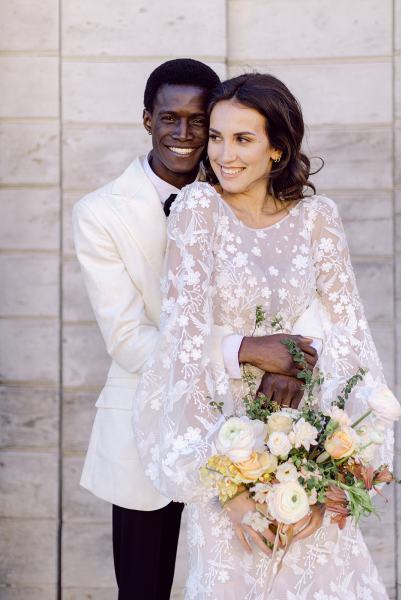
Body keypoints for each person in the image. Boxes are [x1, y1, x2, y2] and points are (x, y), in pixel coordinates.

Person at [133, 73, 395, 599]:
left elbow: (353, 337)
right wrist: (228, 489)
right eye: (218, 137)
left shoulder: (319, 219)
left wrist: (338, 474)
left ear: (277, 149)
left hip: (310, 449)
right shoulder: (197, 211)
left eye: (243, 139)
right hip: (228, 452)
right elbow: (180, 348)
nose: (225, 154)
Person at [73, 61, 316, 600]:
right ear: (146, 120)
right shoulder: (99, 213)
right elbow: (129, 340)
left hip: (249, 423)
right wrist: (249, 352)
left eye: (199, 121)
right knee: (143, 590)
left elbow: (297, 294)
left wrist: (297, 361)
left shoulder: (249, 190)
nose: (184, 135)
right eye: (169, 118)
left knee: (244, 583)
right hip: (147, 425)